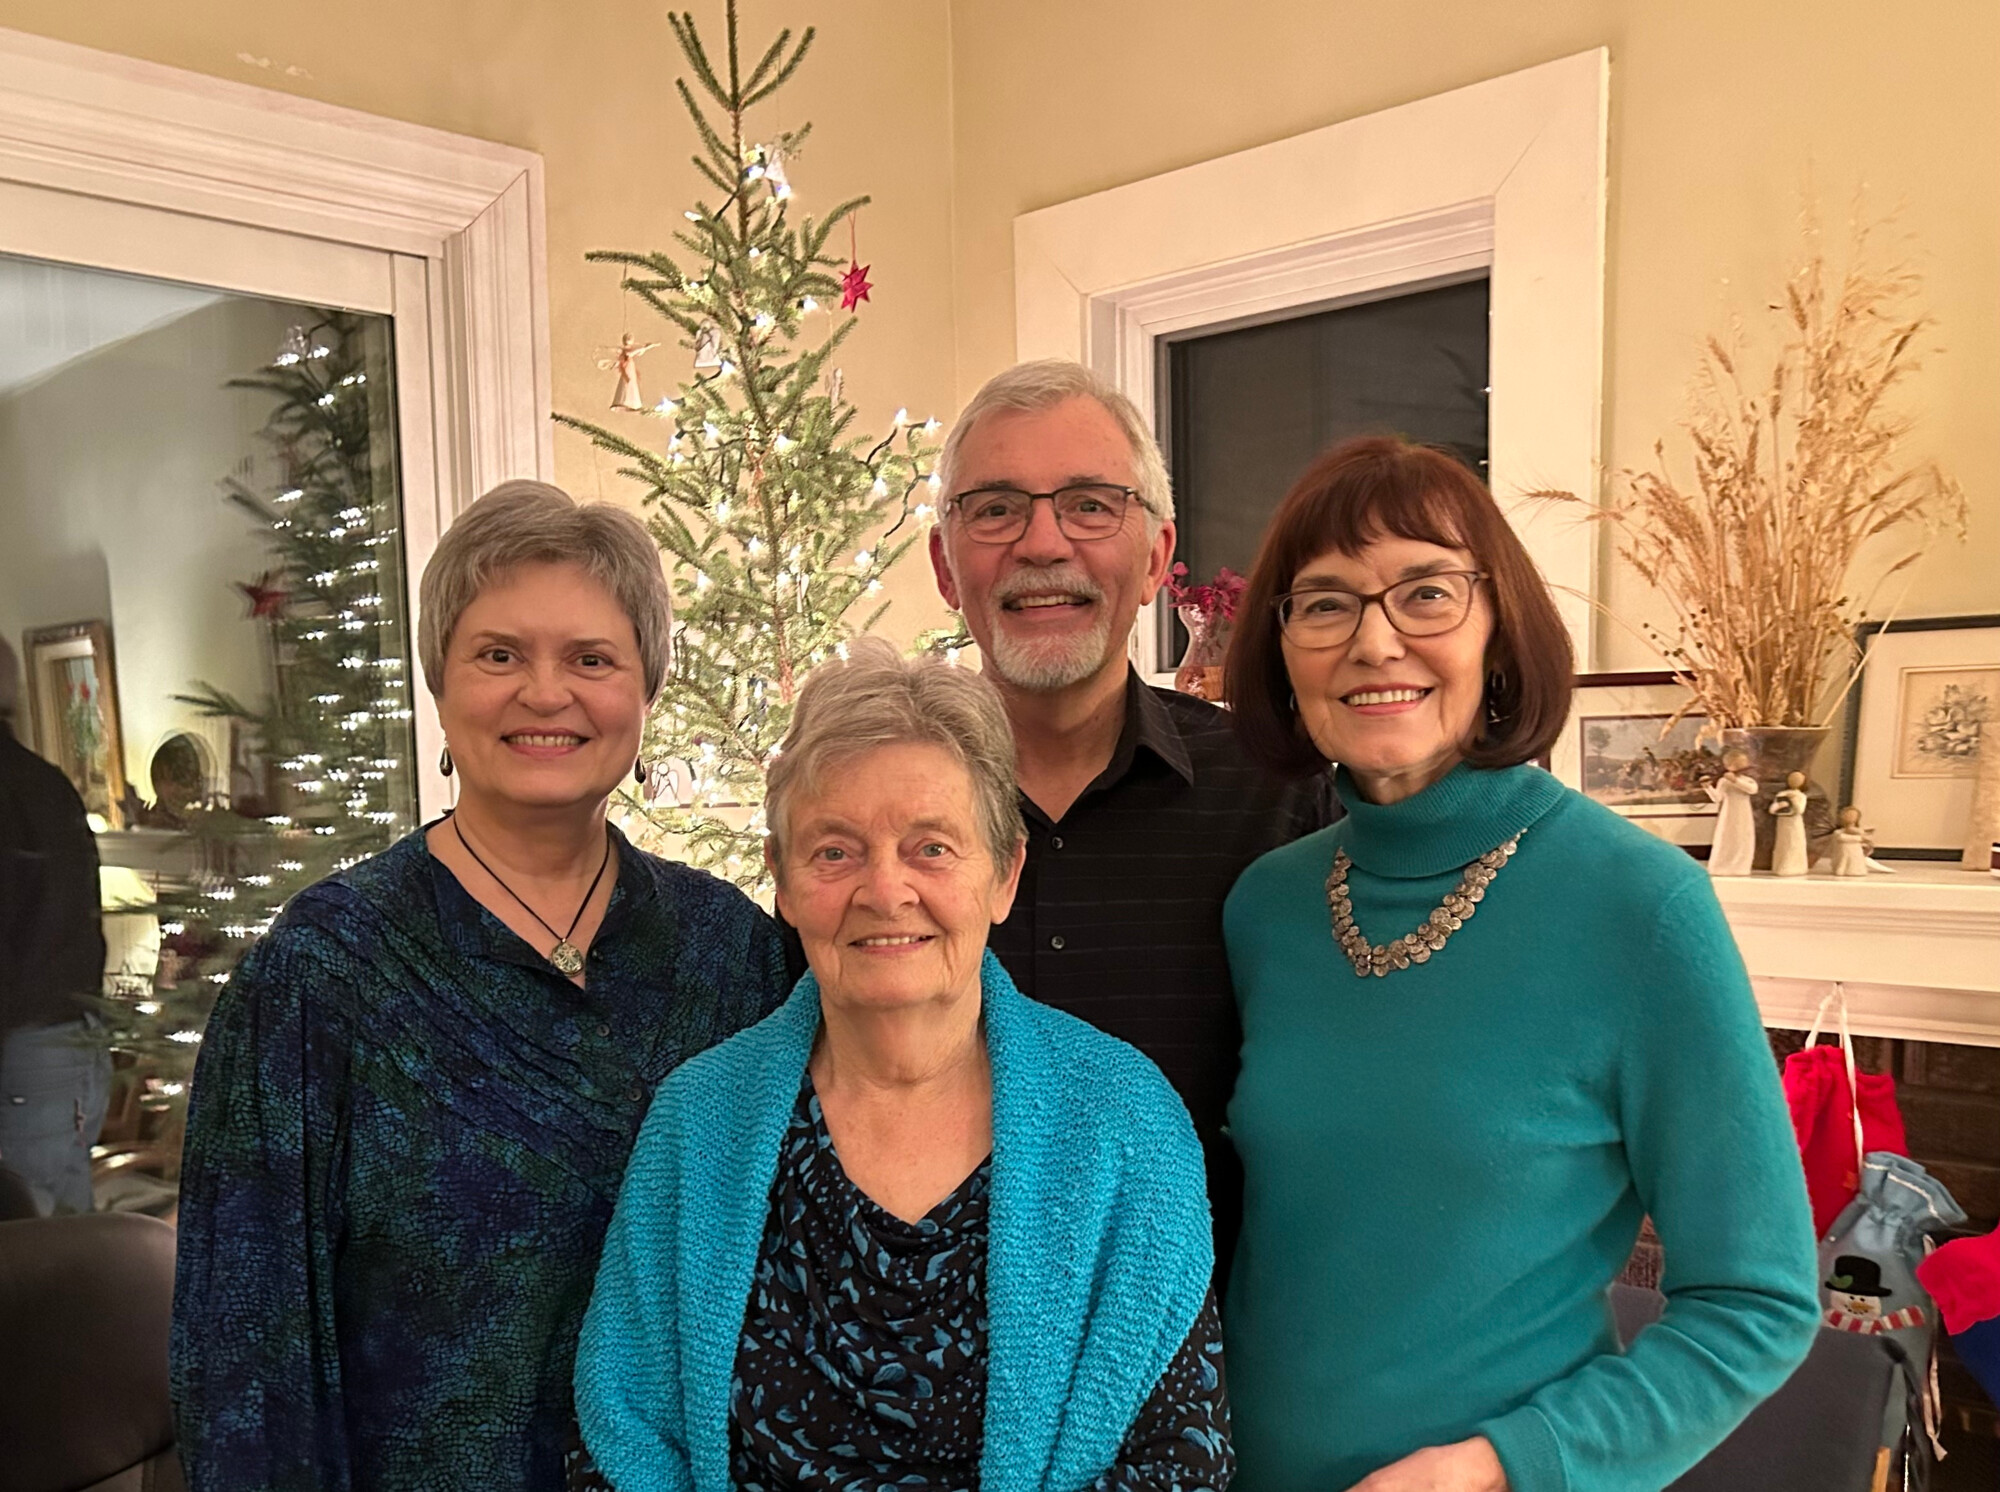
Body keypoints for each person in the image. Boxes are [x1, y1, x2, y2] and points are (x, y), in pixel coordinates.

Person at [1220, 437, 1819, 1492]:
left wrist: (1500, 1466)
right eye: (1323, 604)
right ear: (1282, 654)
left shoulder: (1638, 908)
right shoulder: (1266, 906)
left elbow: (1756, 1301)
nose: (1374, 641)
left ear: (1498, 634)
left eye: (1425, 592)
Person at [171, 481, 791, 1492]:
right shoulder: (321, 974)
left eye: (591, 659)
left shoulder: (731, 953)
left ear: (645, 692)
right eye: (499, 654)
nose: (545, 694)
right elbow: (245, 1352)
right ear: (441, 685)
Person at [577, 641, 1229, 1492]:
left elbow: (1179, 1463)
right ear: (781, 880)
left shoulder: (1124, 1126)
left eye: (931, 848)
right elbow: (622, 1443)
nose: (885, 893)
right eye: (835, 851)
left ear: (1004, 874)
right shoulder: (698, 1125)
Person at [927, 358, 1336, 1279]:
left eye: (1090, 505)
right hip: (929, 1385)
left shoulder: (1280, 797)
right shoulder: (877, 817)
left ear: (1155, 559)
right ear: (945, 567)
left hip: (1223, 1381)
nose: (1042, 543)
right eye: (994, 508)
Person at [0, 636, 110, 1215]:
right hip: (77, 1042)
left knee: (25, 1247)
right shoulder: (49, 782)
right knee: (67, 1242)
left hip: (27, 1048)